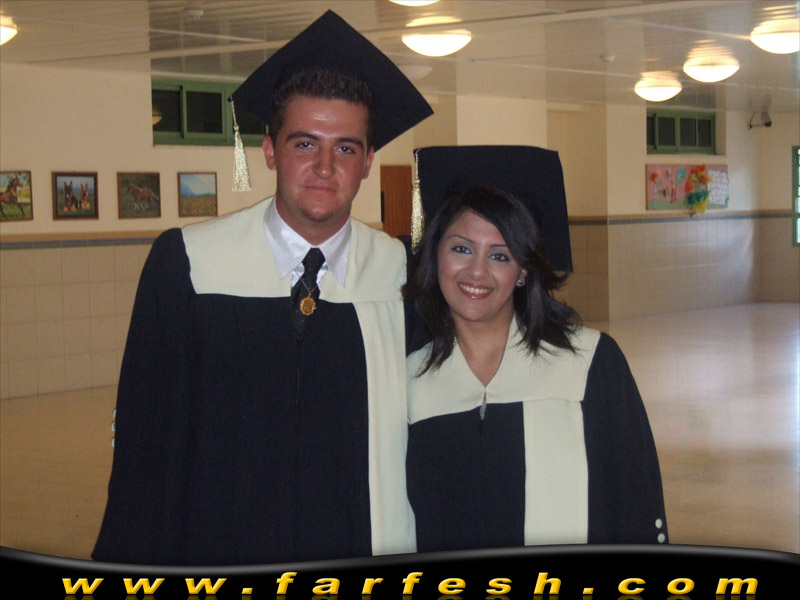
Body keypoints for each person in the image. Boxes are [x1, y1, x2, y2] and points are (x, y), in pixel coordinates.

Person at [92, 10, 432, 566]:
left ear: (369, 162)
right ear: (270, 150)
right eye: (305, 144)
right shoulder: (191, 266)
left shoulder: (400, 277)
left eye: (346, 148)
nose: (325, 167)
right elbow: (146, 449)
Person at [403, 146, 668, 551]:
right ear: (435, 252)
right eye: (461, 248)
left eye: (499, 255)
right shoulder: (409, 379)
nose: (476, 271)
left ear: (523, 270)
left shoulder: (587, 365)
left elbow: (635, 503)